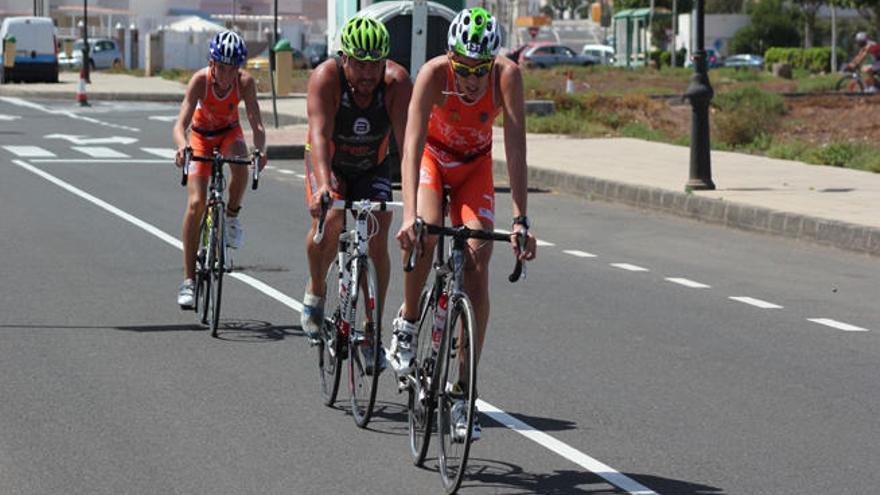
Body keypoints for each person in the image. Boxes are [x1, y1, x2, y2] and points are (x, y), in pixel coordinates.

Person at [390, 8, 537, 440]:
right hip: (434, 162)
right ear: (450, 58)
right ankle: (409, 321)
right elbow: (412, 146)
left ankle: (463, 392)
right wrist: (408, 214)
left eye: (480, 69)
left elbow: (516, 150)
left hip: (474, 169)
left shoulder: (507, 77)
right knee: (426, 234)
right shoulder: (433, 75)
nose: (472, 81)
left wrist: (521, 219)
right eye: (464, 69)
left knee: (478, 260)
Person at [300, 15, 412, 372]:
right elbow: (318, 134)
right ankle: (317, 288)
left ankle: (371, 330)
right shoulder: (325, 78)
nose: (367, 74)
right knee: (331, 221)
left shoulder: (396, 83)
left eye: (374, 64)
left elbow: (408, 146)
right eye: (359, 64)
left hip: (372, 165)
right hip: (329, 162)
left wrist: (417, 197)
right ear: (344, 59)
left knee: (378, 233)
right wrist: (322, 185)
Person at [173, 30, 267, 308]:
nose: (226, 75)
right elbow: (180, 124)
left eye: (232, 69)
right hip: (201, 136)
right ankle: (189, 280)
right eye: (222, 68)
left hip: (228, 132)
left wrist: (260, 150)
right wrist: (181, 146)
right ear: (212, 63)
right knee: (196, 204)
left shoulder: (245, 83)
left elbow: (256, 123)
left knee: (240, 164)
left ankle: (232, 216)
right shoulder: (200, 81)